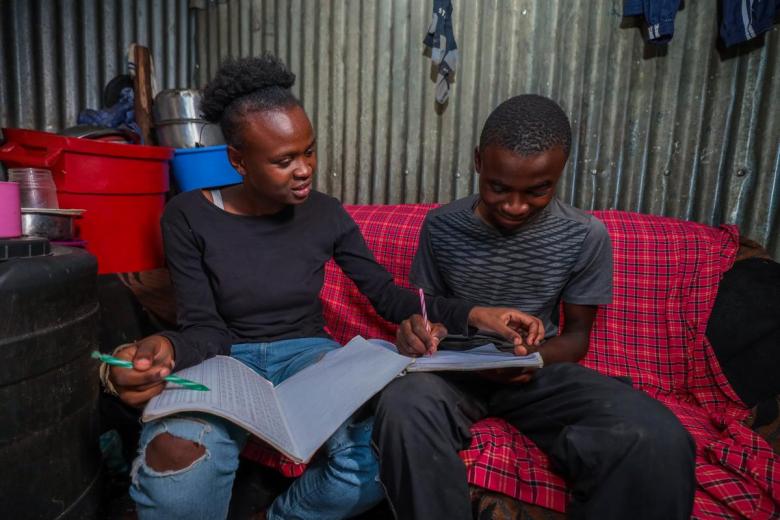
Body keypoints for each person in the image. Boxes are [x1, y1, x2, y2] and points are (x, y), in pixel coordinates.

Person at [103, 55, 542, 520]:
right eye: (283, 160)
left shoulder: (326, 213)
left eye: (308, 151)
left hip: (309, 358)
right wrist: (166, 346)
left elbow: (389, 296)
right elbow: (203, 328)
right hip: (223, 358)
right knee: (176, 459)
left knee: (380, 455)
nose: (304, 169)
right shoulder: (188, 214)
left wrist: (476, 315)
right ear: (238, 161)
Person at [373, 94, 698, 519]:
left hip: (536, 372)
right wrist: (415, 331)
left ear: (561, 171)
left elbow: (578, 337)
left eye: (538, 190)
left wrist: (535, 359)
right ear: (478, 162)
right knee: (402, 405)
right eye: (498, 187)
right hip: (453, 371)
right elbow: (426, 310)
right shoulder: (442, 226)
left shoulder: (585, 235)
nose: (514, 206)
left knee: (656, 435)